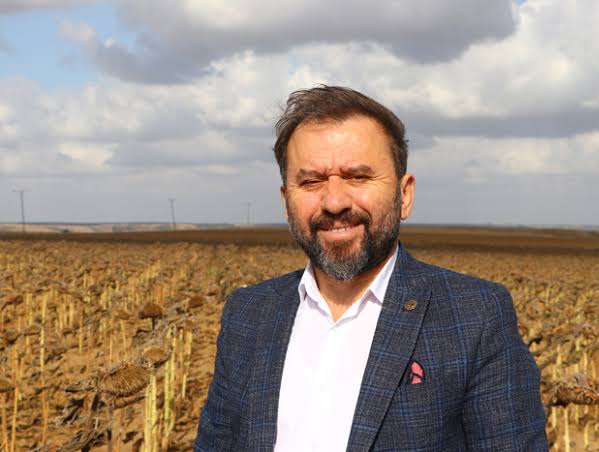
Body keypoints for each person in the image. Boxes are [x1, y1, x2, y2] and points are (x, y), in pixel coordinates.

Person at [195, 85, 547, 451]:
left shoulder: (475, 316)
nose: (334, 202)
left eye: (358, 177)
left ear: (404, 195)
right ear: (286, 202)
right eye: (311, 181)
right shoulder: (248, 314)